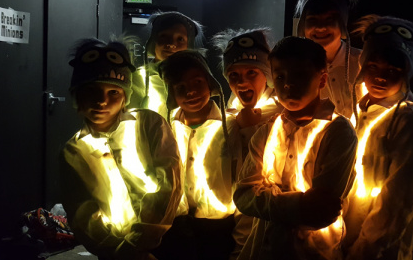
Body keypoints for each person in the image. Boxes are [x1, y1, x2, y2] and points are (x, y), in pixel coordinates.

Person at [233, 36, 358, 260]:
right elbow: (243, 196)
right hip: (265, 249)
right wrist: (299, 204)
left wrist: (268, 199)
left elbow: (323, 210)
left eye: (299, 75)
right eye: (280, 77)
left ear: (322, 80)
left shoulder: (339, 133)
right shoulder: (266, 132)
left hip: (316, 252)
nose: (288, 85)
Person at [60, 39, 182, 260]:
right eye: (91, 91)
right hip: (115, 250)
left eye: (113, 92)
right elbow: (81, 212)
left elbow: (169, 183)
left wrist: (140, 241)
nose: (101, 101)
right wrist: (119, 250)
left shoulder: (149, 124)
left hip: (167, 237)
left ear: (125, 96)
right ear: (77, 95)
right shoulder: (73, 151)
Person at [343, 15, 413, 260]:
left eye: (393, 70)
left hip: (380, 250)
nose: (381, 76)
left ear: (407, 72)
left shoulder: (409, 121)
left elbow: (400, 199)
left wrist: (365, 248)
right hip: (346, 236)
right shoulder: (359, 111)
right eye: (373, 66)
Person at [154, 50, 235, 260]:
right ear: (172, 93)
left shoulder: (231, 128)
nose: (191, 92)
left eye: (197, 82)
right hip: (177, 223)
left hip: (218, 225)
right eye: (181, 87)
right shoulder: (166, 128)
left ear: (210, 83)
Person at [211, 28, 283, 258]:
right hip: (234, 214)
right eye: (234, 75)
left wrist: (251, 128)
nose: (242, 82)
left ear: (268, 75)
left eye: (252, 72)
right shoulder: (229, 114)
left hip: (265, 214)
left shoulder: (281, 113)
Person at [293, 0, 362, 119]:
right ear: (302, 26)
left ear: (343, 24)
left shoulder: (365, 63)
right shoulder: (292, 69)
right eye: (312, 19)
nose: (320, 27)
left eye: (329, 19)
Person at [130, 11, 203, 119]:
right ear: (153, 41)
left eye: (180, 39)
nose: (171, 44)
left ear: (189, 46)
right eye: (164, 36)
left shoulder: (197, 80)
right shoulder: (137, 79)